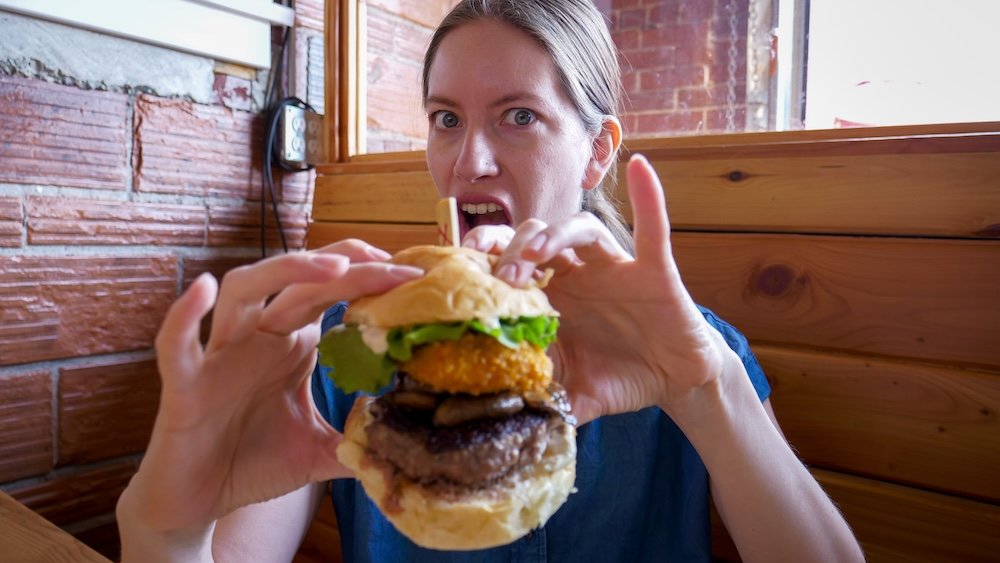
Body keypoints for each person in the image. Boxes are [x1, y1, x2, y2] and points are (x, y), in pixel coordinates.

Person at [117, 0, 864, 561]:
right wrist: (164, 528)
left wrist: (706, 388)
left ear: (597, 151)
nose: (468, 160)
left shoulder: (690, 347)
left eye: (518, 116)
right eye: (446, 119)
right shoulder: (348, 349)